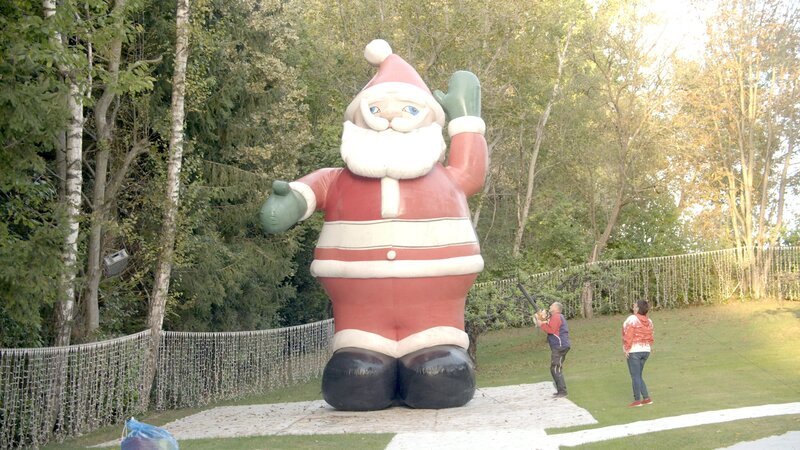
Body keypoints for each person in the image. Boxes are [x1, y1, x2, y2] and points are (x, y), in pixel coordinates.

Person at [260, 39, 488, 410]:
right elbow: (307, 191)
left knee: (438, 376)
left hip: (436, 313)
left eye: (408, 109)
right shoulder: (336, 179)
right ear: (359, 118)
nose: (391, 117)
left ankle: (434, 351)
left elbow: (471, 171)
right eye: (377, 108)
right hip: (360, 316)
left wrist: (465, 120)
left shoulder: (446, 178)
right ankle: (363, 355)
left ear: (428, 118)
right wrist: (288, 203)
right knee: (357, 379)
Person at [622, 300, 654, 407]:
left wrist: (626, 348)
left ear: (639, 309)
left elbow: (628, 334)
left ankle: (637, 400)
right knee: (638, 375)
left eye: (635, 307)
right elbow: (650, 335)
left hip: (634, 351)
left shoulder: (632, 319)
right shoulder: (649, 321)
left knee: (635, 376)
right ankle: (646, 398)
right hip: (646, 350)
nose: (633, 308)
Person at [536, 302, 570, 397]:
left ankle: (562, 392)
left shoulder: (556, 316)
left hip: (559, 346)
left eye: (551, 306)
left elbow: (551, 330)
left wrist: (541, 324)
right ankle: (561, 391)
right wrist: (541, 318)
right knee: (555, 368)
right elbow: (548, 323)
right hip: (560, 346)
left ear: (556, 308)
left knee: (555, 368)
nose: (550, 307)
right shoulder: (555, 317)